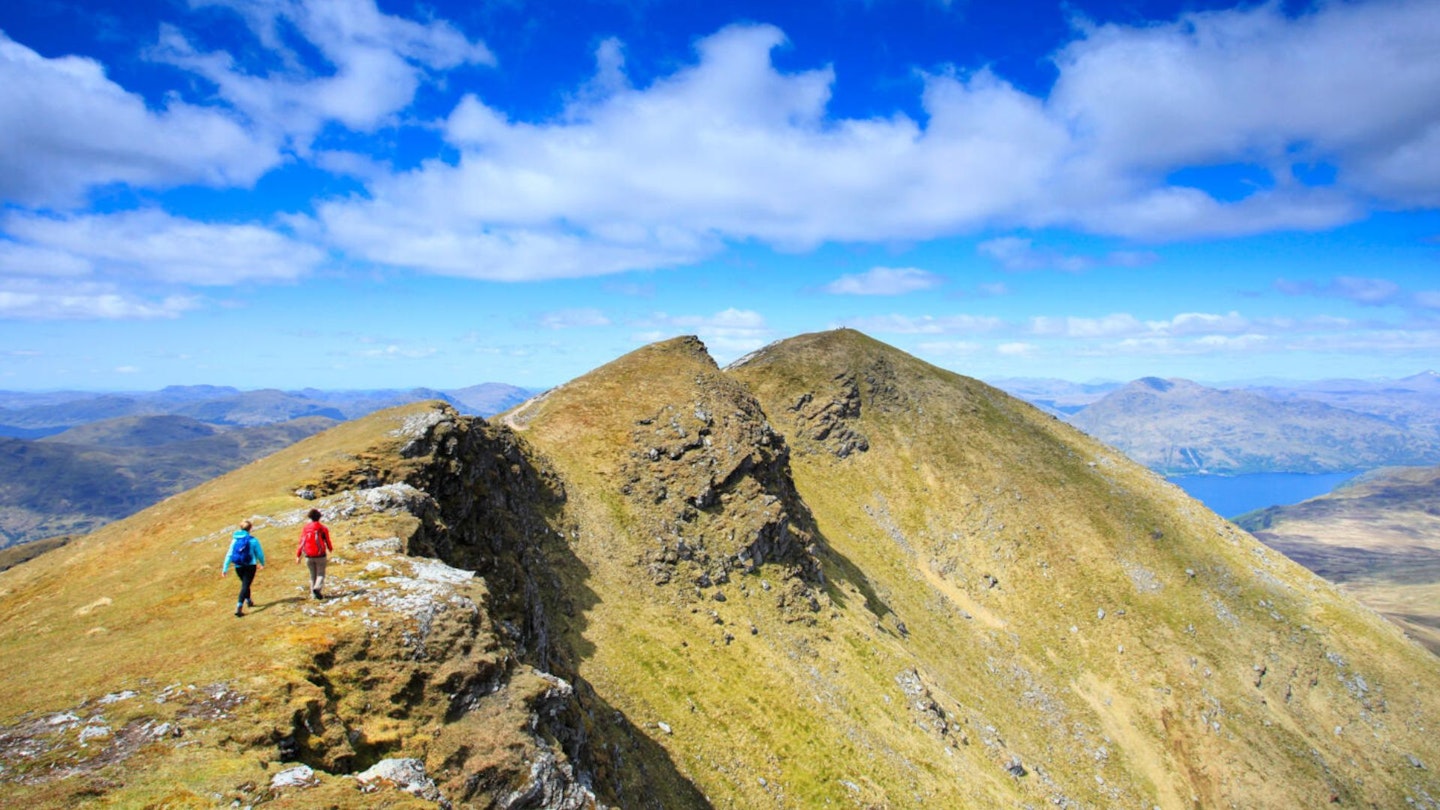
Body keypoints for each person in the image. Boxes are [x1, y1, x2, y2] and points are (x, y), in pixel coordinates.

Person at [221, 520, 265, 617]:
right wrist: (262, 563)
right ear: (250, 528)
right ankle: (239, 607)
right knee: (245, 585)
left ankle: (249, 600)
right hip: (250, 566)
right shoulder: (253, 540)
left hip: (238, 566)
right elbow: (259, 554)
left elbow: (229, 555)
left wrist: (225, 568)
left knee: (245, 584)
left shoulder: (235, 540)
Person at [296, 508, 333, 599]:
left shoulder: (306, 528)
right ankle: (317, 588)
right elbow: (327, 540)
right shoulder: (322, 528)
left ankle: (313, 595)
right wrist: (330, 548)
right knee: (320, 574)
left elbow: (302, 542)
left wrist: (298, 555)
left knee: (312, 575)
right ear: (319, 517)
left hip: (308, 555)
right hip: (320, 555)